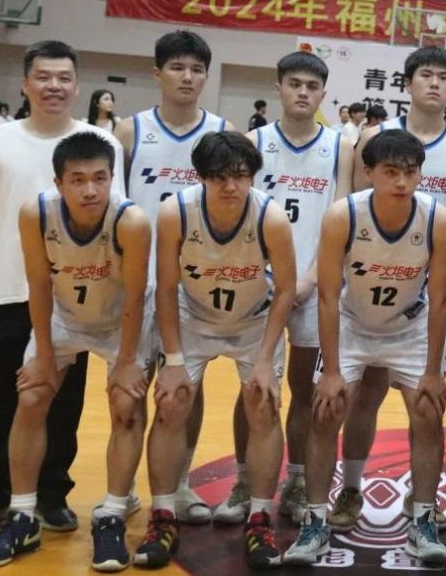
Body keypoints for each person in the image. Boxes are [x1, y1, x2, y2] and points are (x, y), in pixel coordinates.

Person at [0, 132, 152, 570]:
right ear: (58, 183)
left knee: (126, 404)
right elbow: (38, 286)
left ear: (112, 178)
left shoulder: (131, 221)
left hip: (120, 321)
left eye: (100, 178)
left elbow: (135, 296)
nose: (90, 190)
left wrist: (126, 361)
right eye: (78, 179)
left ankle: (111, 514)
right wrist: (43, 355)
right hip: (65, 317)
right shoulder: (36, 213)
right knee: (32, 395)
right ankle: (22, 517)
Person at [280, 129, 446, 566]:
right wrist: (332, 371)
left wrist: (433, 372)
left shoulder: (438, 219)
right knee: (327, 410)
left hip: (409, 328)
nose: (402, 181)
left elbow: (440, 300)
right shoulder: (343, 216)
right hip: (353, 324)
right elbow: (326, 295)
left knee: (428, 411)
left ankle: (423, 521)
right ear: (369, 172)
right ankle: (315, 522)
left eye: (410, 172)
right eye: (391, 172)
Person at [0, 42, 125, 536]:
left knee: (61, 402)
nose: (53, 86)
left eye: (63, 77)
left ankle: (52, 493)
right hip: (5, 290)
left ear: (77, 86)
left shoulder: (99, 141)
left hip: (75, 296)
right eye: (43, 77)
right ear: (25, 84)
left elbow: (113, 220)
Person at [133, 131, 295, 569]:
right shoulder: (176, 212)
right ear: (201, 177)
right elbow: (166, 288)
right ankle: (163, 515)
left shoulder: (270, 218)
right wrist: (173, 361)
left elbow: (285, 290)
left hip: (253, 320)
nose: (230, 186)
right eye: (219, 177)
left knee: (263, 405)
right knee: (171, 403)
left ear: (252, 177)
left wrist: (265, 360)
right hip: (193, 317)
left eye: (240, 176)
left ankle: (260, 519)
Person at [344, 47, 446, 529]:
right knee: (364, 395)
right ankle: (351, 487)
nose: (434, 83)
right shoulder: (373, 137)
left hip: (429, 292)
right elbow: (353, 206)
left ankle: (421, 500)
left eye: (444, 77)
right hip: (371, 285)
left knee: (427, 400)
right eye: (426, 74)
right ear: (407, 83)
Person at [212, 51, 352, 523]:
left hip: (315, 285)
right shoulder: (253, 142)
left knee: (304, 388)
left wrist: (310, 277)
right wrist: (267, 275)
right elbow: (241, 215)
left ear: (323, 94)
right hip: (261, 284)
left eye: (312, 87)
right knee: (255, 386)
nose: (302, 93)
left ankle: (296, 480)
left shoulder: (340, 147)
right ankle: (244, 480)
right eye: (294, 84)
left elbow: (340, 218)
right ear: (278, 88)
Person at [114, 30, 234, 524]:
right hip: (139, 286)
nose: (187, 77)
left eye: (197, 69)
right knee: (132, 388)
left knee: (186, 389)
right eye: (178, 68)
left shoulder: (224, 133)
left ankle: (180, 485)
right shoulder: (128, 132)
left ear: (207, 76)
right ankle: (124, 489)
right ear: (157, 73)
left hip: (194, 288)